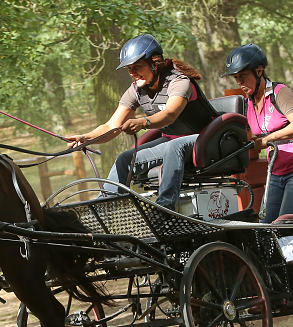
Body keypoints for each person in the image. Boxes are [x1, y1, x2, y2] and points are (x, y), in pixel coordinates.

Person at [66, 34, 217, 210]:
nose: (132, 73)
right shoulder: (136, 91)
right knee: (124, 159)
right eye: (129, 69)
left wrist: (143, 122)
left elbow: (170, 114)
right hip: (172, 141)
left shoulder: (179, 82)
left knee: (172, 147)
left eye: (137, 67)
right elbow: (111, 126)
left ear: (155, 63)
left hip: (204, 138)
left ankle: (164, 209)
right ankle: (103, 207)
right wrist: (86, 138)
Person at [222, 44, 293, 223]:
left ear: (259, 71)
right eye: (236, 78)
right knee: (266, 228)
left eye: (243, 76)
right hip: (275, 173)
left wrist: (266, 140)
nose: (239, 82)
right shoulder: (248, 104)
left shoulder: (280, 93)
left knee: (286, 226)